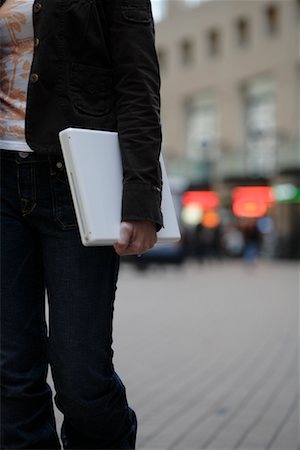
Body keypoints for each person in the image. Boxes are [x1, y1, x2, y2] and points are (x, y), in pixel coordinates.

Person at [0, 0, 163, 448]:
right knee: (11, 374)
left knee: (81, 379)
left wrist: (141, 197)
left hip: (75, 183)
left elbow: (138, 80)